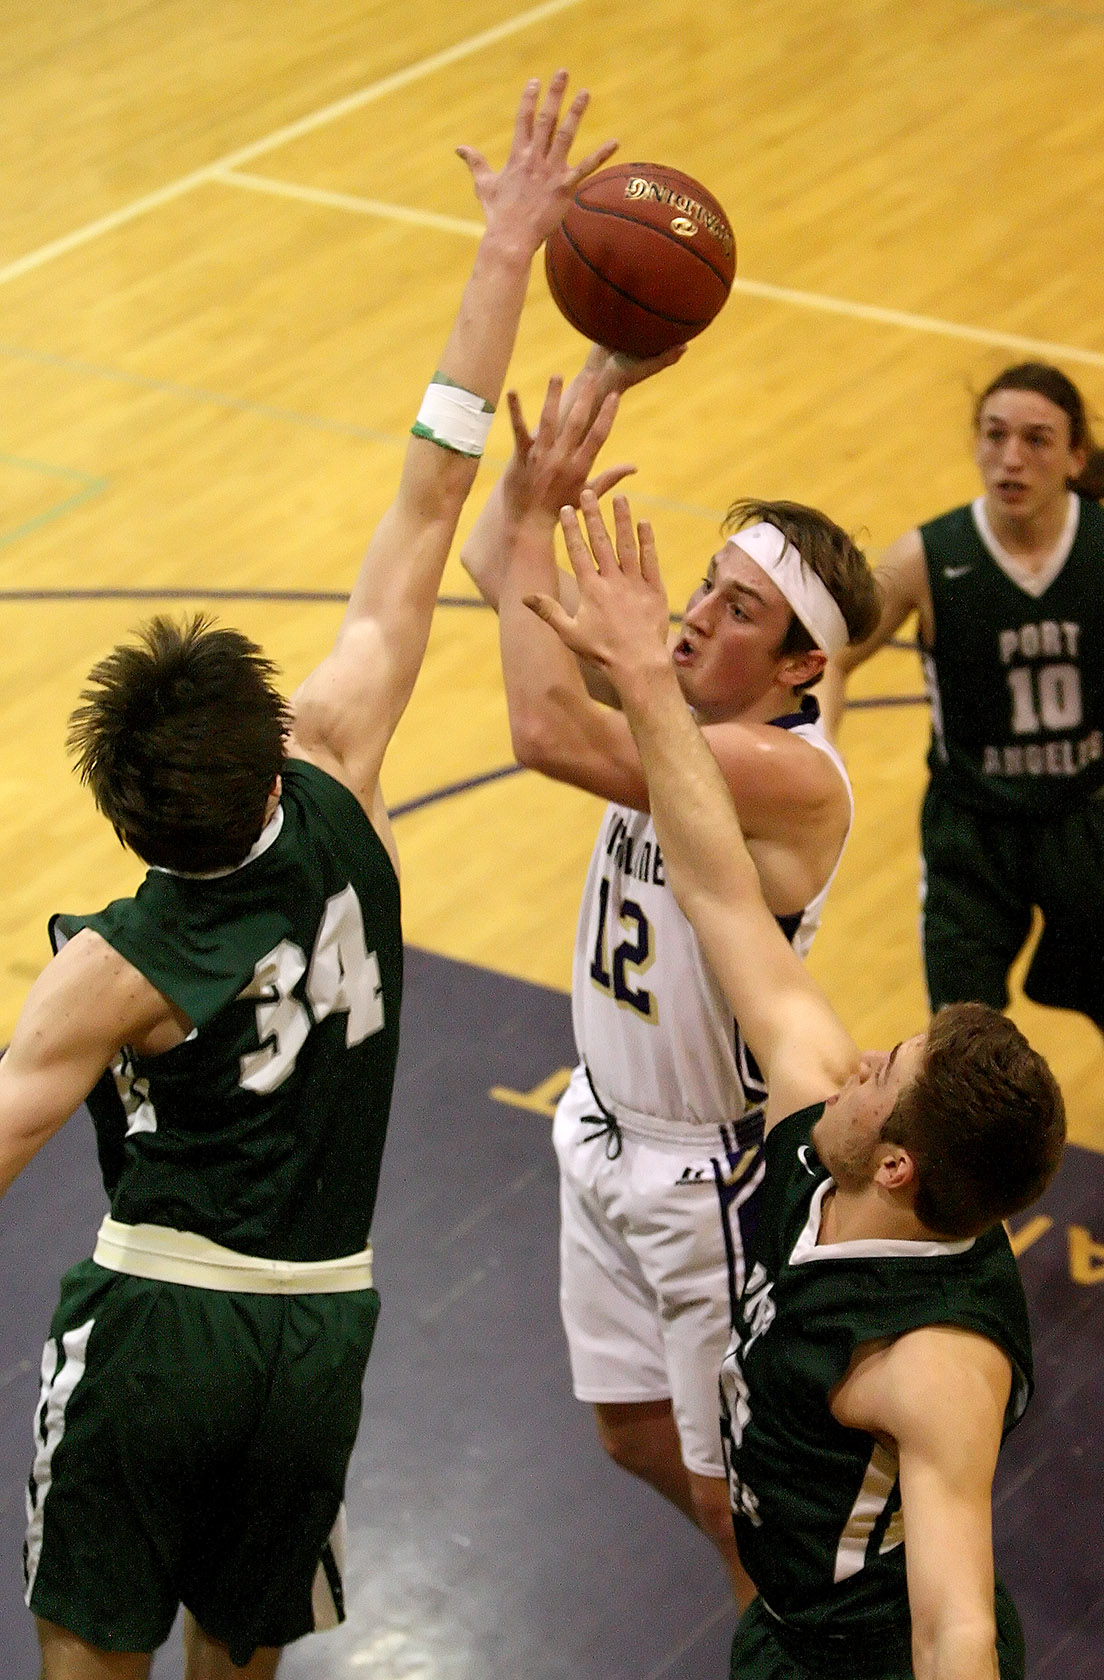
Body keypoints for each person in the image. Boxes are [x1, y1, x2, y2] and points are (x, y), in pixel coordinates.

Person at [0, 73, 615, 1680]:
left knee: (87, 1659)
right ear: (270, 748)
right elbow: (432, 485)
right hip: (322, 1320)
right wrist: (505, 254)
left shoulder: (117, 963)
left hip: (161, 1323)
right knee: (243, 1652)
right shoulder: (341, 766)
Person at [530, 487, 1067, 1680]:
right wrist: (637, 660)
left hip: (859, 1662)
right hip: (787, 1628)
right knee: (655, 1440)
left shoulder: (939, 1367)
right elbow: (720, 891)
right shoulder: (818, 1104)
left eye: (888, 1074)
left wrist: (640, 679)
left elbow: (956, 1626)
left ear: (896, 1162)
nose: (861, 1056)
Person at [460, 370, 881, 1603]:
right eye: (702, 582)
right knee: (629, 1432)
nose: (693, 614)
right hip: (597, 1123)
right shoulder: (672, 703)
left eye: (735, 609)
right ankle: (777, 1592)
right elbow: (501, 574)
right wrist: (539, 486)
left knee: (727, 1487)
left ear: (801, 666)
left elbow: (547, 732)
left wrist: (581, 607)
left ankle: (798, 1636)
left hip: (712, 1171)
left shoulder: (790, 775)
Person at [818, 363, 1104, 1199]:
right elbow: (837, 653)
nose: (1010, 457)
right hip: (968, 831)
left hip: (1086, 826)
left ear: (1076, 458)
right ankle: (966, 1192)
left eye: (1035, 439)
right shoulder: (929, 555)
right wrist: (826, 752)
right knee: (956, 1036)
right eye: (994, 436)